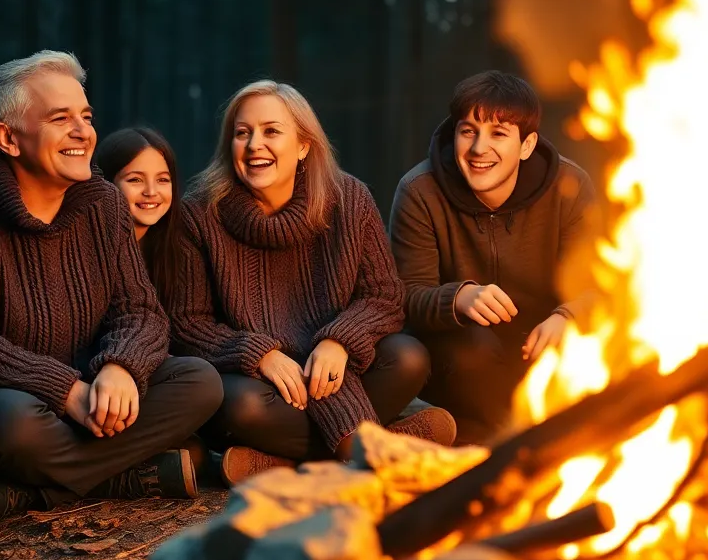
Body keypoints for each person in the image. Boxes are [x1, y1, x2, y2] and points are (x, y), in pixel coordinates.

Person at [0, 51, 223, 530]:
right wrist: (65, 391)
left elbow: (141, 311)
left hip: (97, 388)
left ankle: (24, 494)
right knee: (11, 424)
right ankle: (118, 476)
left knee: (200, 381)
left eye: (86, 117)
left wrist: (121, 367)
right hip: (18, 400)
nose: (84, 132)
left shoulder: (103, 200)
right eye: (60, 118)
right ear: (7, 137)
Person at [168, 79, 455, 485]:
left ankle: (285, 463)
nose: (254, 146)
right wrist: (258, 354)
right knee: (239, 406)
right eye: (242, 133)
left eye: (271, 131)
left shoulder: (348, 198)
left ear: (303, 145)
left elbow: (384, 296)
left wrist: (339, 340)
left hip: (337, 366)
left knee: (408, 357)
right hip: (262, 384)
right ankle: (371, 447)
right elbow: (187, 323)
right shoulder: (199, 213)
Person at [390, 71, 599, 444]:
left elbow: (602, 284)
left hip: (540, 347)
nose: (478, 148)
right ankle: (492, 450)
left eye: (498, 134)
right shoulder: (419, 191)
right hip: (462, 361)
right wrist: (457, 298)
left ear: (526, 144)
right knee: (473, 351)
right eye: (468, 131)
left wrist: (569, 316)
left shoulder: (570, 186)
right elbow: (403, 296)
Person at [95, 127, 185, 306]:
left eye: (162, 180)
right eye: (135, 180)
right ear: (106, 183)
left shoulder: (181, 249)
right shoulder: (91, 251)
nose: (151, 192)